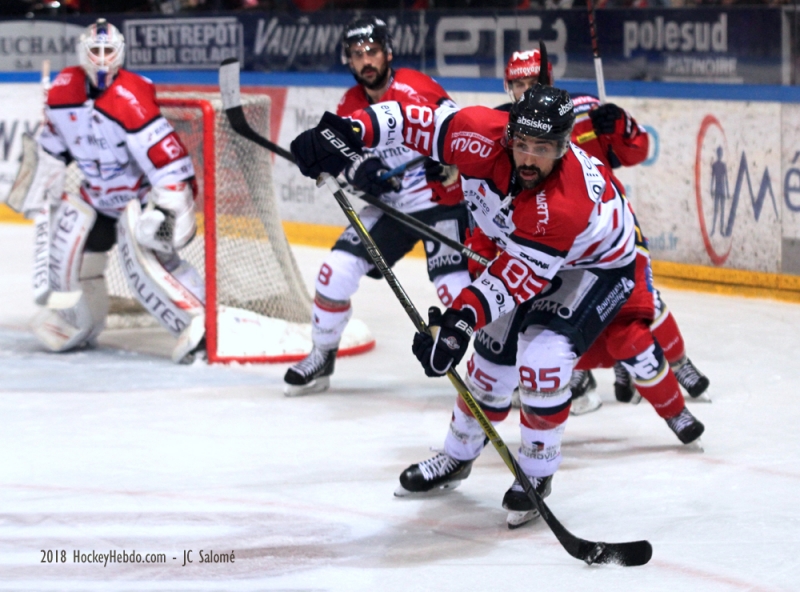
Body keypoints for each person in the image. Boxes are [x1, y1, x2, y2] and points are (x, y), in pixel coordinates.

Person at [289, 82, 656, 528]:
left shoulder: (563, 203)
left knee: (543, 358)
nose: (528, 159)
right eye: (522, 144)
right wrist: (348, 132)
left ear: (563, 147)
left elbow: (515, 280)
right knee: (487, 366)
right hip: (524, 253)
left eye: (542, 149)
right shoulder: (479, 131)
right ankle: (456, 456)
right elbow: (407, 120)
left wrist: (460, 320)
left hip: (597, 265)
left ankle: (536, 473)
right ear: (509, 135)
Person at [497, 48, 710, 414]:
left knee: (641, 299)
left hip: (609, 228)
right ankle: (591, 371)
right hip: (555, 237)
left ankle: (679, 363)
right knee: (561, 308)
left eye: (534, 81)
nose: (526, 89)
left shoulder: (583, 111)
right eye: (519, 84)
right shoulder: (502, 128)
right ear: (508, 87)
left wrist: (622, 125)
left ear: (549, 80)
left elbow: (635, 151)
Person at [283, 16, 471, 396]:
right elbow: (346, 159)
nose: (366, 60)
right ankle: (322, 354)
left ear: (388, 53)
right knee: (335, 271)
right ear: (348, 60)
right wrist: (362, 169)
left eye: (372, 51)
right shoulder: (350, 103)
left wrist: (449, 159)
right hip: (392, 209)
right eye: (357, 54)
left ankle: (499, 372)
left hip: (441, 205)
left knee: (457, 292)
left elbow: (461, 130)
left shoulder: (416, 87)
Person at [22, 19, 206, 364]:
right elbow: (53, 146)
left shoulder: (131, 97)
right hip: (98, 200)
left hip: (138, 200)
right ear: (83, 53)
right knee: (74, 256)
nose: (103, 58)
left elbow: (168, 160)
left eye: (109, 50)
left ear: (120, 53)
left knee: (151, 261)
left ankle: (202, 321)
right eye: (96, 50)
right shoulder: (63, 91)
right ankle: (78, 320)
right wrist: (42, 177)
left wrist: (170, 209)